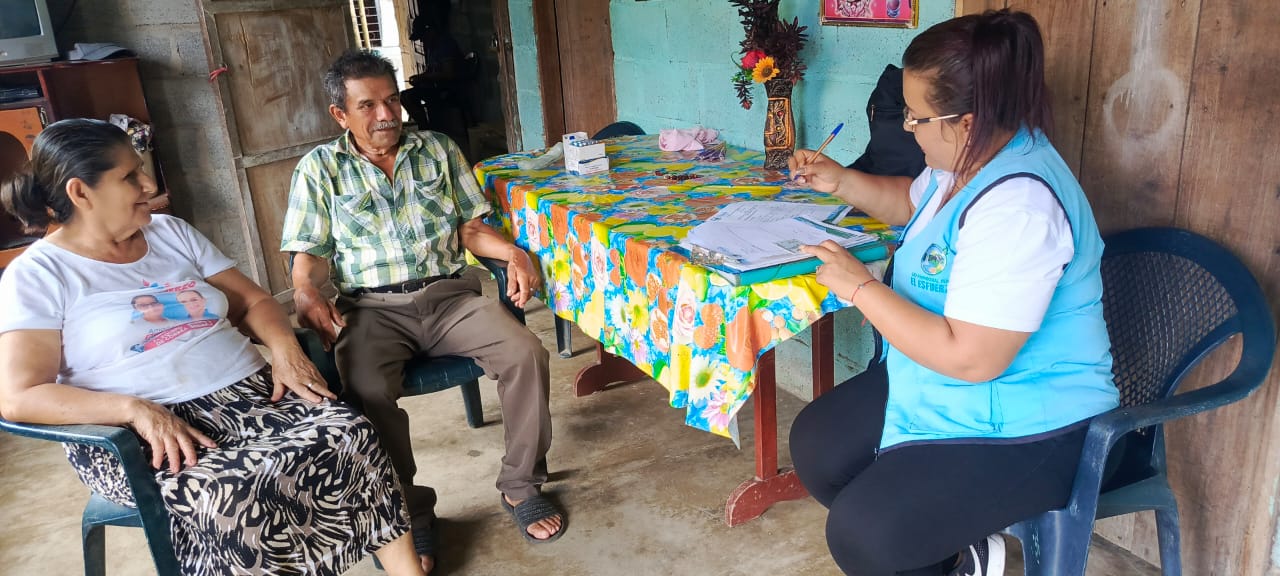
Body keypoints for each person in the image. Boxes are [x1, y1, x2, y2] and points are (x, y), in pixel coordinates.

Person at [0, 119, 428, 576]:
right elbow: (19, 395)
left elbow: (253, 301)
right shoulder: (39, 275)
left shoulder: (171, 233)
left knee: (350, 433)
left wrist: (284, 348)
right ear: (80, 192)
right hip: (144, 431)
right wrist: (132, 410)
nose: (148, 184)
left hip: (250, 394)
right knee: (233, 491)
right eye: (129, 176)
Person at [786, 10, 1119, 576]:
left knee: (866, 534)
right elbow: (914, 206)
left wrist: (861, 287)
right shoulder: (965, 160)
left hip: (1037, 418)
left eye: (916, 117)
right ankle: (959, 552)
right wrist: (841, 180)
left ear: (966, 121)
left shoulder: (1020, 206)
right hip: (951, 379)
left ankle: (949, 554)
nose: (908, 128)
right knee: (819, 447)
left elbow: (972, 359)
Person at [281, 49, 562, 574]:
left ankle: (521, 484)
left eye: (392, 100)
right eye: (367, 106)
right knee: (365, 388)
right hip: (372, 309)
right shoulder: (320, 169)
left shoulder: (437, 149)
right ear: (340, 114)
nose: (386, 114)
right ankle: (409, 511)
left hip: (449, 297)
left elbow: (470, 227)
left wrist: (514, 253)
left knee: (526, 353)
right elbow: (311, 253)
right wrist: (303, 291)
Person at [400, 0, 472, 153]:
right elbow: (431, 71)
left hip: (450, 89)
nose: (422, 40)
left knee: (408, 97)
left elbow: (449, 74)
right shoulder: (432, 48)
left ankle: (427, 129)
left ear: (430, 30)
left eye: (423, 36)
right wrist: (420, 77)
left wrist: (425, 78)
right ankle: (426, 128)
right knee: (406, 96)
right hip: (438, 87)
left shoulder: (445, 45)